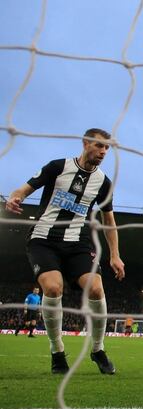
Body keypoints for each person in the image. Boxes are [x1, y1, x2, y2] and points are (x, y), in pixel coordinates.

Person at [4, 128, 124, 375]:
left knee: (96, 288)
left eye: (107, 148)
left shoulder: (103, 182)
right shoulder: (57, 167)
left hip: (77, 242)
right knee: (53, 287)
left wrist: (115, 254)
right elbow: (23, 190)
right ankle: (57, 352)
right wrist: (14, 198)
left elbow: (109, 221)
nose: (103, 152)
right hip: (43, 239)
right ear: (85, 143)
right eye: (99, 146)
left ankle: (98, 349)